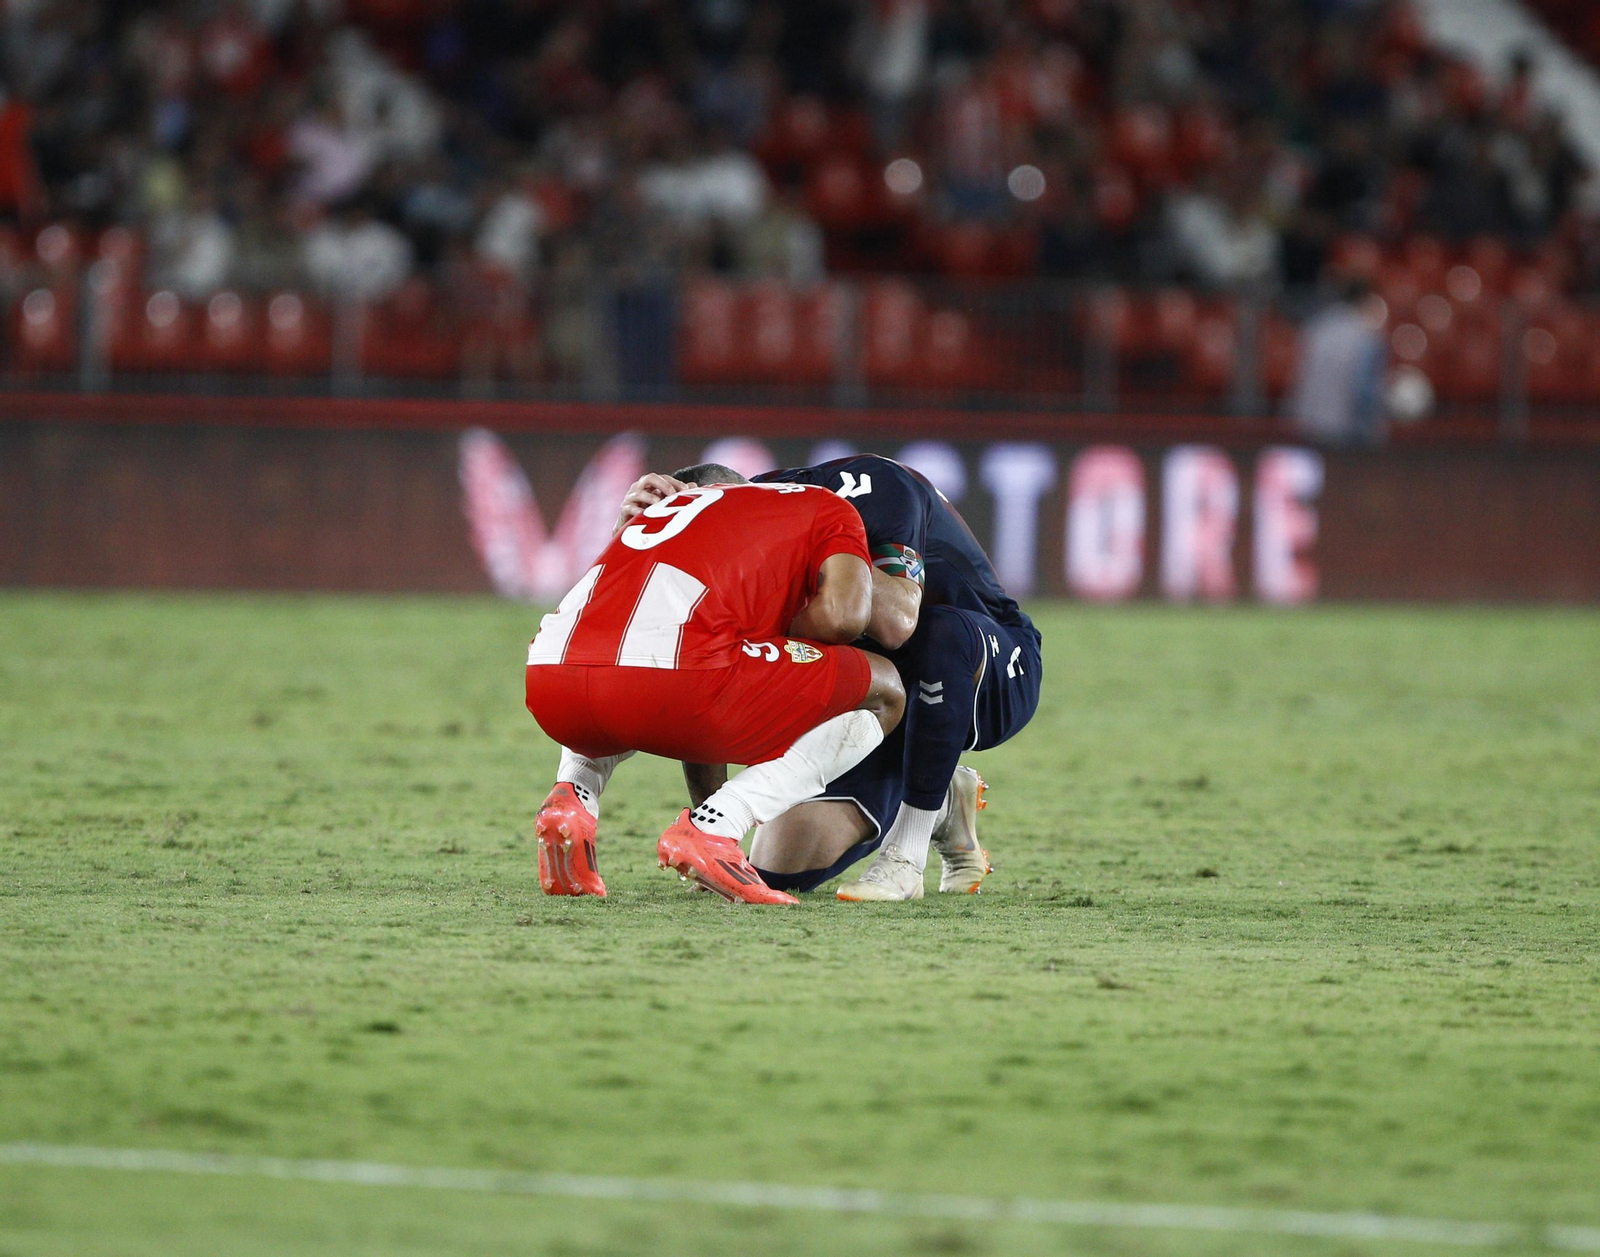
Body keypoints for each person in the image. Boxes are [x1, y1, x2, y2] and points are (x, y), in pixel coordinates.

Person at [617, 454, 1042, 902]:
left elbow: (898, 621)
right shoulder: (727, 534)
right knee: (774, 870)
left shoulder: (873, 486)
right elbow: (701, 680)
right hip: (875, 698)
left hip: (988, 668)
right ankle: (941, 799)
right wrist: (718, 835)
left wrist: (803, 551)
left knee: (940, 635)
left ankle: (906, 857)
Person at [525, 464, 906, 906]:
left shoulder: (654, 510)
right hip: (675, 681)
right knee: (886, 692)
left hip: (549, 679)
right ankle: (719, 826)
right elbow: (845, 617)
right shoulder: (817, 506)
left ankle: (573, 795)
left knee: (627, 652)